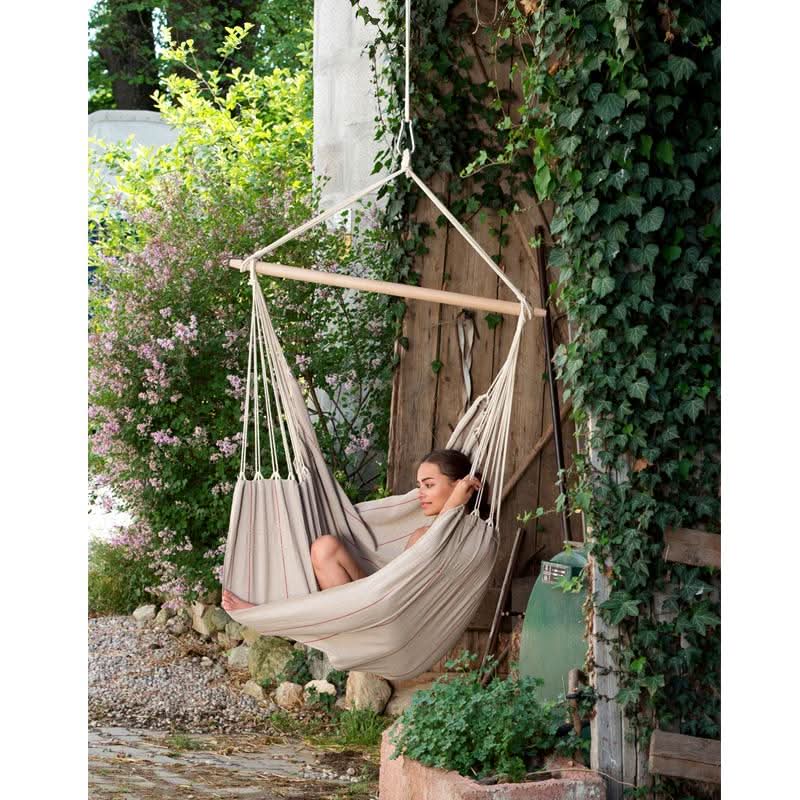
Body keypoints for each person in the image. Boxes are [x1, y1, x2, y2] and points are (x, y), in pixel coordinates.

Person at [221, 448, 482, 611]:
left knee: (421, 537)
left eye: (428, 485)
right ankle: (277, 613)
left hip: (392, 614)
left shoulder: (469, 536)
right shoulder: (428, 531)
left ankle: (266, 613)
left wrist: (457, 502)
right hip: (376, 599)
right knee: (325, 547)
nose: (420, 494)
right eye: (419, 486)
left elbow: (435, 550)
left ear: (459, 486)